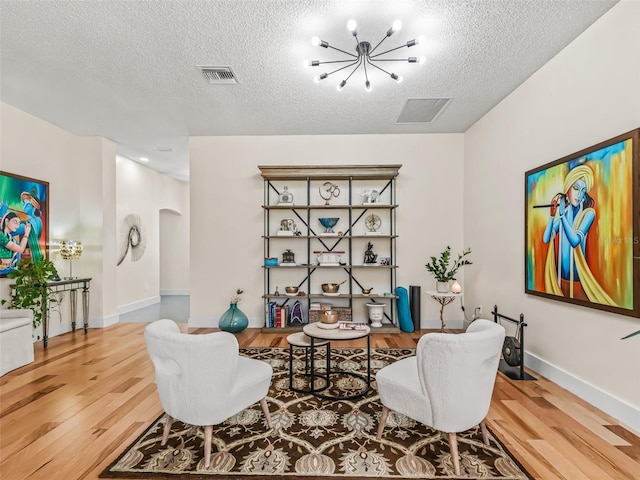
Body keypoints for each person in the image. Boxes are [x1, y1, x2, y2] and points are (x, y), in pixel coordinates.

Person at [542, 164, 614, 304]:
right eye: (576, 188)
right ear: (567, 190)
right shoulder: (567, 212)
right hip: (560, 279)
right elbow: (546, 239)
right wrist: (552, 216)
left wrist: (562, 216)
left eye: (583, 190)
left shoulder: (588, 214)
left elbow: (575, 241)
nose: (579, 194)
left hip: (578, 282)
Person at [11, 192, 44, 263]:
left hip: (26, 259)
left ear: (34, 207)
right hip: (35, 256)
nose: (24, 207)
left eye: (28, 205)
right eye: (24, 204)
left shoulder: (26, 224)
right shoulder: (39, 221)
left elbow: (7, 232)